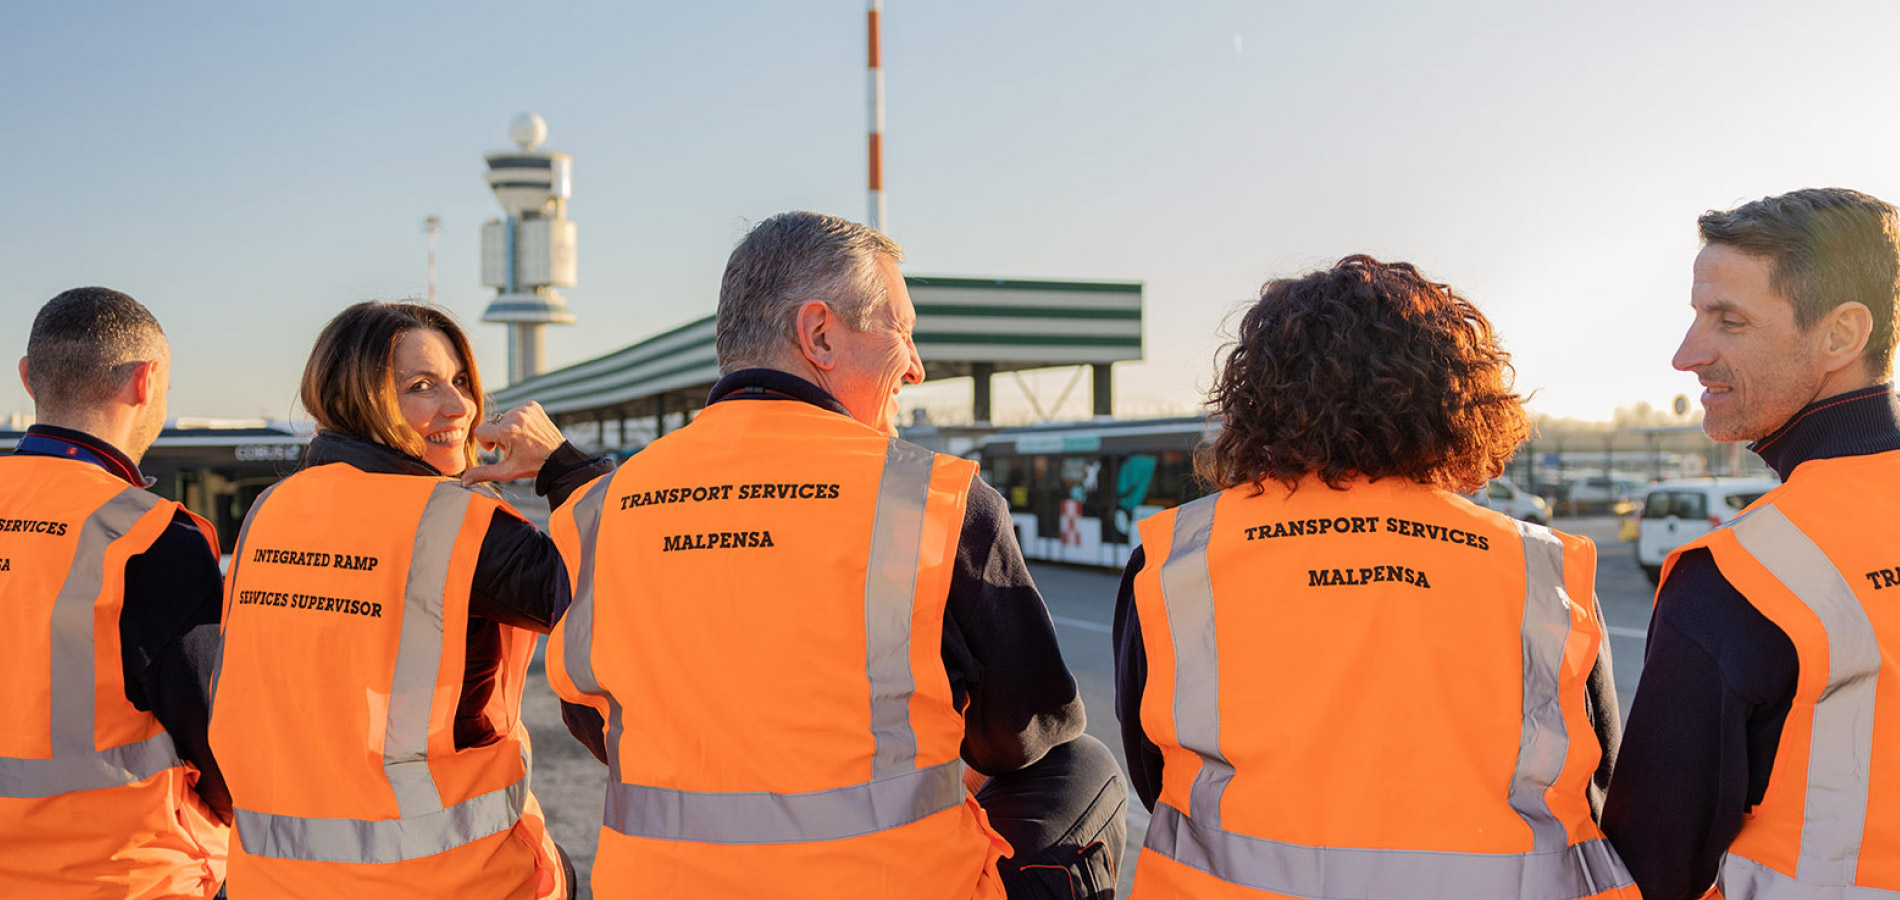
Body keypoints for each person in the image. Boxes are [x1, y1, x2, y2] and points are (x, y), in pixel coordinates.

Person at [545, 210, 1126, 900]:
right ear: (819, 334)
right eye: (901, 331)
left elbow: (593, 718)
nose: (916, 367)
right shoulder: (930, 498)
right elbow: (1025, 733)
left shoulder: (601, 508)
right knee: (1080, 765)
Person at [1114, 256, 1638, 899]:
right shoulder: (1540, 568)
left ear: (1261, 399)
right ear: (1460, 401)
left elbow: (1154, 773)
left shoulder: (1181, 558)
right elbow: (1596, 781)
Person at [206, 301, 611, 899]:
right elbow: (623, 592)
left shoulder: (270, 510)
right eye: (422, 387)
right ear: (353, 397)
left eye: (461, 381)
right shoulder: (457, 524)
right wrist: (565, 469)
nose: (461, 407)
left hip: (274, 880)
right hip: (450, 880)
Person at [1602, 188, 1900, 899]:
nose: (1687, 355)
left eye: (1728, 320)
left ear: (1840, 336)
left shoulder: (1740, 575)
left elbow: (1651, 871)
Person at [0, 287, 231, 899]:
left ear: (27, 377)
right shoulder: (152, 534)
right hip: (119, 876)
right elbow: (219, 739)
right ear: (147, 382)